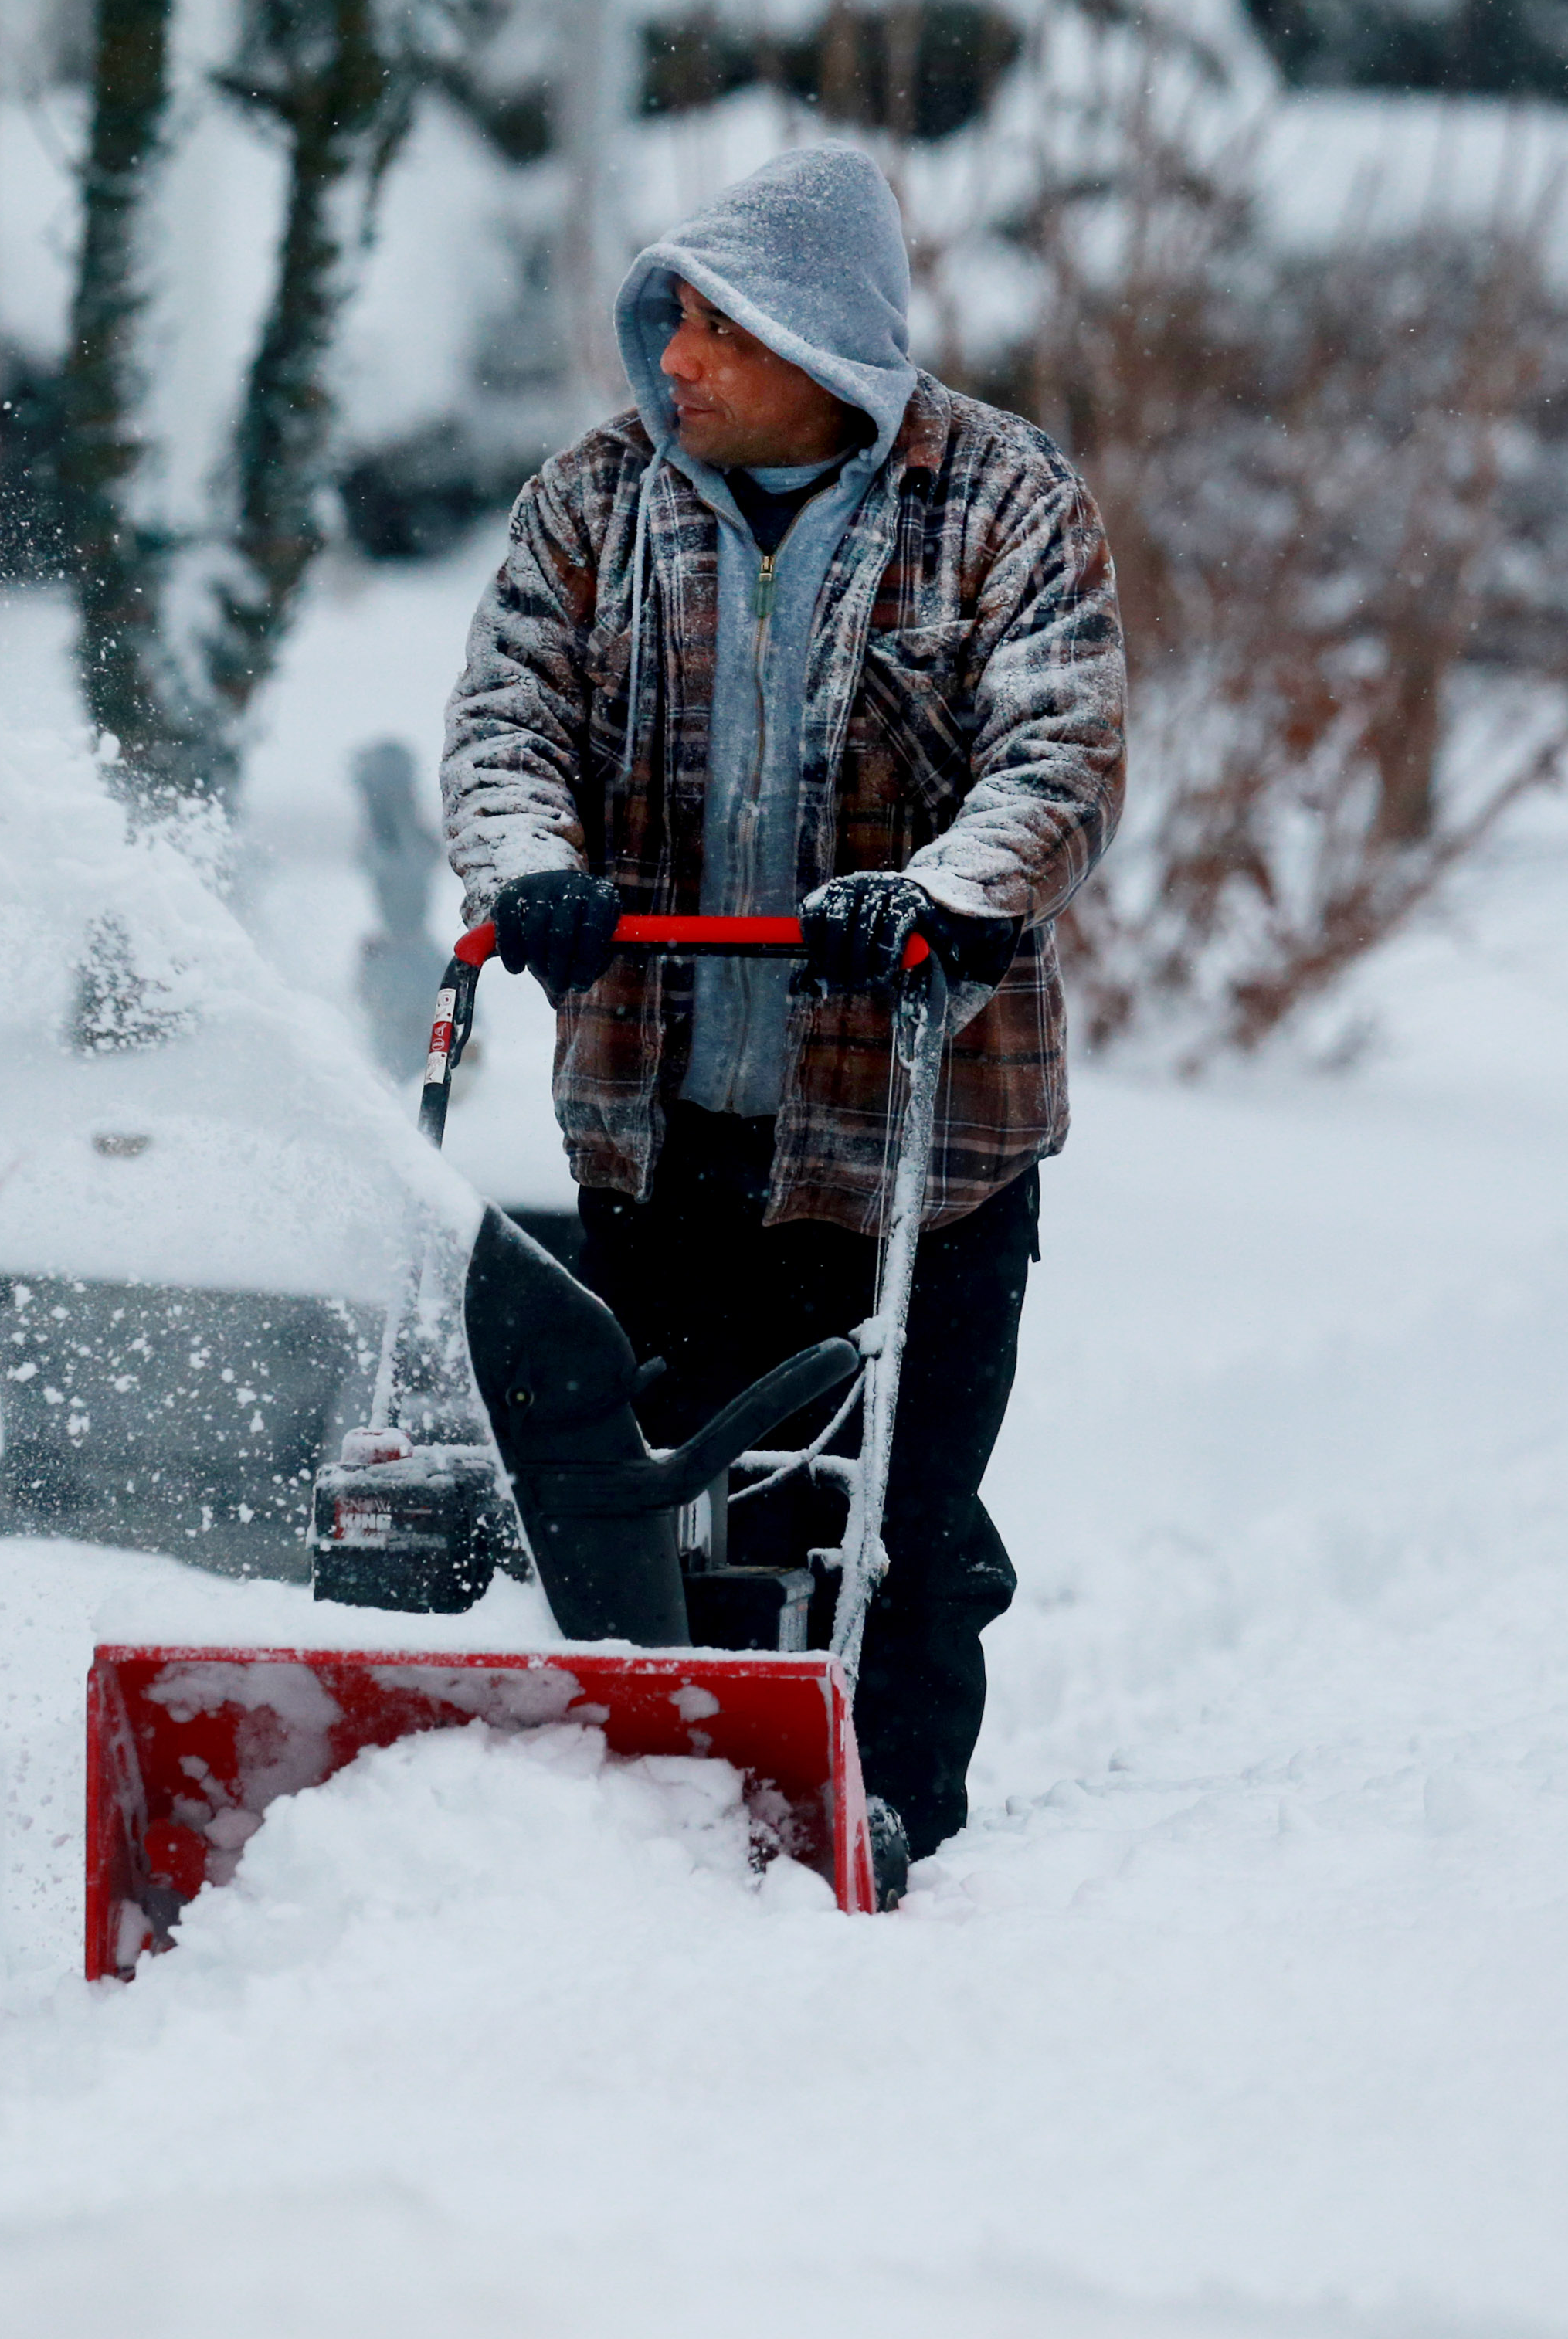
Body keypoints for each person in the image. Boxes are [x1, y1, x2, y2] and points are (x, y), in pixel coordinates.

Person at [440, 141, 1125, 1862]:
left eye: (711, 329)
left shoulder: (1002, 500)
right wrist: (532, 866)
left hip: (918, 1136)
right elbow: (506, 718)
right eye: (662, 316)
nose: (669, 357)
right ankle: (655, 1843)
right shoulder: (594, 503)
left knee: (898, 1525)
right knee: (645, 1512)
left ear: (823, 345)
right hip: (657, 1127)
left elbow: (1059, 747)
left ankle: (884, 1845)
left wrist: (945, 897)